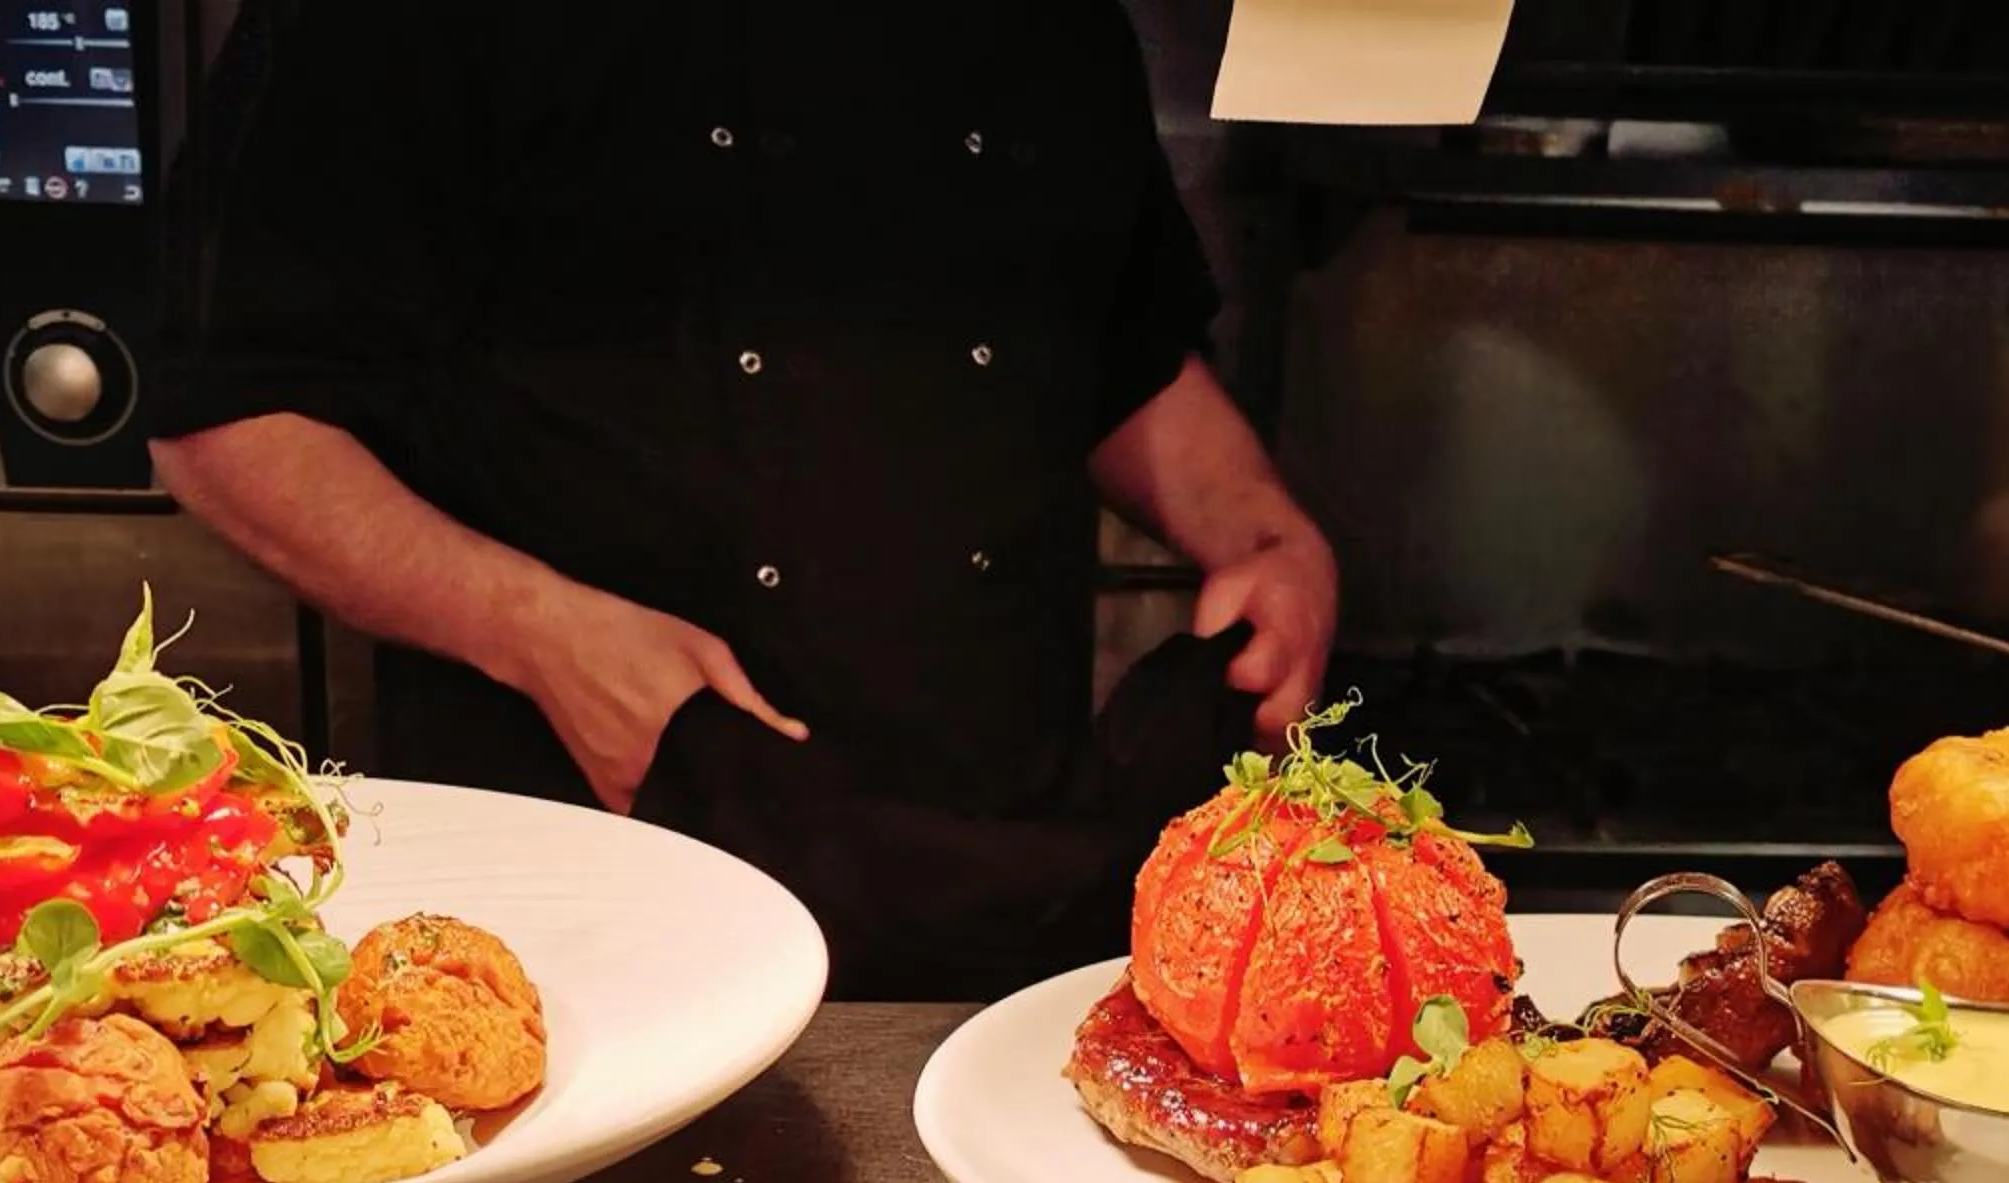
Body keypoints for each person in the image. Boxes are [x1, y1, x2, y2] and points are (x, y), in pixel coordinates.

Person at [144, 0, 1335, 999]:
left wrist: (1259, 531)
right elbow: (231, 419)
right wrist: (543, 635)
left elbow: (1116, 348)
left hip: (1003, 857)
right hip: (590, 874)